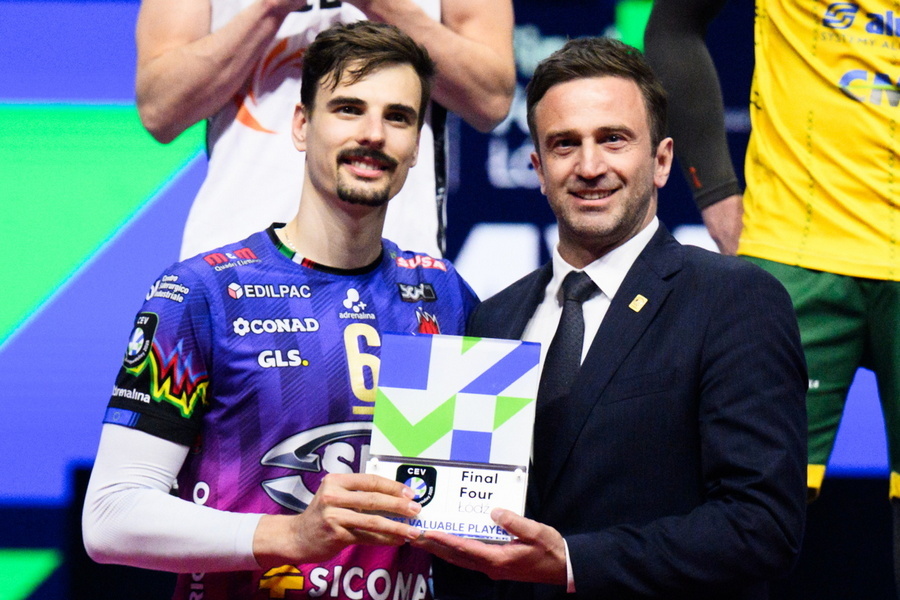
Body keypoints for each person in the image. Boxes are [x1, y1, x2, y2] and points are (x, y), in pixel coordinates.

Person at [82, 21, 478, 599]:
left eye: (398, 117)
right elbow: (110, 517)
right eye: (348, 109)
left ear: (418, 145)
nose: (373, 134)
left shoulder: (446, 295)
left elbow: (471, 504)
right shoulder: (200, 294)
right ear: (301, 125)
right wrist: (290, 536)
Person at [416, 36, 808, 599]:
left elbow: (762, 525)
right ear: (538, 168)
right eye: (564, 144)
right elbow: (459, 526)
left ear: (662, 160)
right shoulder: (493, 321)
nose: (589, 166)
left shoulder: (735, 299)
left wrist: (573, 562)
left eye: (613, 139)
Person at [644, 0, 900, 586]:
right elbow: (673, 24)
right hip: (794, 246)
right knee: (739, 512)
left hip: (799, 246)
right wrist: (715, 188)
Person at [135, 0, 515, 260]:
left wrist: (377, 4)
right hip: (232, 257)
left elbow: (491, 99)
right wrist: (271, 7)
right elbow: (160, 109)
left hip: (398, 259)